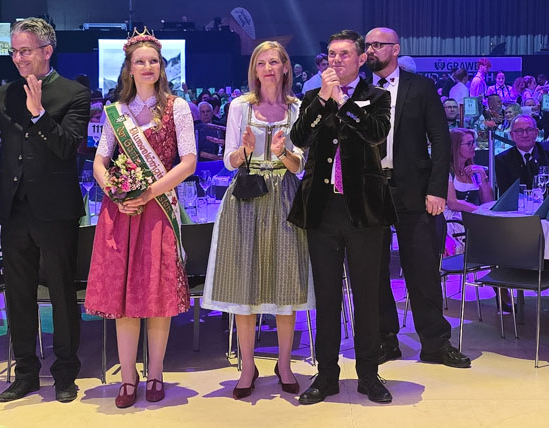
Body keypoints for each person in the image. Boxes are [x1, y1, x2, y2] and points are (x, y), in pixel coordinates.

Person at [0, 18, 90, 404]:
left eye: (25, 51)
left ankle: (65, 372)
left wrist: (39, 114)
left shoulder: (74, 93)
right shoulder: (4, 93)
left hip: (56, 209)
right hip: (14, 209)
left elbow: (67, 147)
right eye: (13, 51)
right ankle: (26, 371)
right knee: (18, 294)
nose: (17, 58)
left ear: (47, 51)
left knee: (61, 292)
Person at [85, 32, 197, 407]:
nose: (147, 67)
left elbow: (188, 162)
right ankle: (128, 377)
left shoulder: (178, 108)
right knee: (124, 295)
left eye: (153, 61)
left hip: (158, 209)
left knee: (156, 294)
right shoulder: (115, 111)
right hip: (122, 213)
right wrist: (116, 193)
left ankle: (157, 372)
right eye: (140, 61)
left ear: (161, 67)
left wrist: (148, 193)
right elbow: (100, 161)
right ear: (129, 69)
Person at [289, 30, 397, 405]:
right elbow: (299, 137)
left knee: (367, 296)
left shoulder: (377, 97)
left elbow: (376, 134)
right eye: (332, 54)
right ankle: (326, 375)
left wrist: (343, 103)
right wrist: (323, 99)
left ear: (361, 59)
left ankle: (368, 373)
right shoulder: (312, 98)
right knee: (327, 296)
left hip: (364, 210)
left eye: (344, 54)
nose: (335, 60)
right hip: (322, 209)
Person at [202, 41, 312, 398]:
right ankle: (247, 365)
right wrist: (244, 151)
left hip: (284, 196)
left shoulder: (297, 109)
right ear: (254, 69)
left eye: (274, 62)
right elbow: (228, 162)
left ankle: (285, 363)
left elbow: (300, 165)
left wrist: (284, 153)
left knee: (286, 281)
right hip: (247, 197)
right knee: (244, 282)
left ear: (285, 67)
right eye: (261, 62)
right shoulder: (239, 106)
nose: (268, 68)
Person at [365, 27, 470, 370]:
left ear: (395, 49)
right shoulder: (360, 90)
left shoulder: (420, 87)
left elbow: (441, 141)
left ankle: (435, 343)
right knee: (375, 268)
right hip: (372, 188)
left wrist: (437, 189)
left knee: (422, 267)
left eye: (377, 45)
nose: (371, 50)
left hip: (415, 189)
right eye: (367, 45)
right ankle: (386, 340)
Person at [493, 114, 549, 194]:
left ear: (536, 133)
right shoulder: (502, 160)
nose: (525, 135)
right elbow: (506, 194)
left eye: (529, 130)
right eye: (519, 131)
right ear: (512, 135)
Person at [444, 128, 495, 219]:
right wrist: (480, 211)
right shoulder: (446, 171)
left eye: (473, 142)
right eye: (469, 143)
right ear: (456, 146)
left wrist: (483, 176)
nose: (474, 146)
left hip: (473, 217)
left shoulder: (474, 171)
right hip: (452, 220)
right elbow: (452, 203)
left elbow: (488, 202)